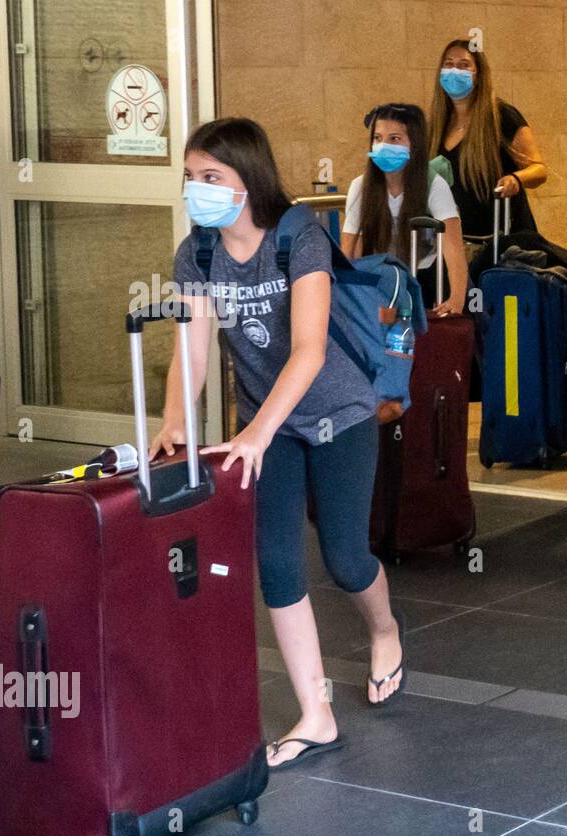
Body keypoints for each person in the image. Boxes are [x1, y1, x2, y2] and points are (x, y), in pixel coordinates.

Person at [156, 118, 406, 770]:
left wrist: (254, 431)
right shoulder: (199, 254)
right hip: (269, 430)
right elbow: (191, 349)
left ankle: (384, 629)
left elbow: (309, 350)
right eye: (191, 178)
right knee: (278, 565)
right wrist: (175, 419)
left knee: (347, 559)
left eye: (212, 178)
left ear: (249, 179)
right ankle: (315, 714)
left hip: (337, 414)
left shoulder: (299, 239)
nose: (198, 190)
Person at [341, 102, 468, 317]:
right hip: (382, 279)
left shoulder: (434, 185)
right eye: (377, 138)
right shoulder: (360, 187)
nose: (383, 146)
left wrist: (456, 300)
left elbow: (454, 250)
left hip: (425, 279)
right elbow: (347, 249)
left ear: (414, 144)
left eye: (394, 139)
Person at [428, 38, 548, 241]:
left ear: (478, 75)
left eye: (463, 65)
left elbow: (539, 170)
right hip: (457, 239)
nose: (454, 71)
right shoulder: (437, 125)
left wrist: (516, 179)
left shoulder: (501, 116)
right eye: (448, 64)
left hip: (501, 239)